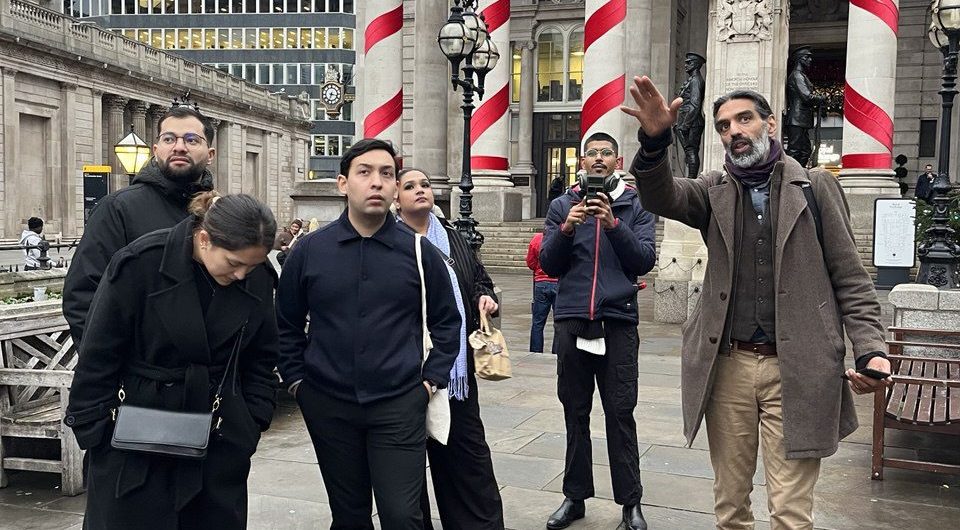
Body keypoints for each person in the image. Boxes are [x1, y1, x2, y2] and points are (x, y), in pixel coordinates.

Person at [621, 78, 892, 529]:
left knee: (790, 513)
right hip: (728, 367)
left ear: (770, 123)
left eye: (744, 119)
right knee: (730, 507)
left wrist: (871, 348)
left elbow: (851, 278)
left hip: (799, 368)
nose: (735, 131)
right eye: (724, 126)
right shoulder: (713, 189)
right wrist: (654, 143)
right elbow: (661, 195)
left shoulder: (815, 187)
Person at [64, 192, 280, 529]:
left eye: (250, 266)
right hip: (135, 437)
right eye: (233, 263)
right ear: (204, 239)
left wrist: (252, 420)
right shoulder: (140, 263)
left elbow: (262, 357)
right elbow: (98, 353)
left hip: (218, 436)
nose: (241, 275)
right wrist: (97, 433)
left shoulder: (259, 277)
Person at [276, 139, 461, 529]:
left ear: (394, 187)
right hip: (328, 404)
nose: (377, 182)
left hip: (399, 403)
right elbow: (286, 324)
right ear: (343, 183)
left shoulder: (419, 252)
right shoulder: (309, 251)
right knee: (349, 515)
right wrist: (297, 383)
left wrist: (429, 382)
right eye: (365, 172)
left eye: (387, 174)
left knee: (402, 515)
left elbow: (448, 322)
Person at [539, 132, 657, 530]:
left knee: (620, 414)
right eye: (592, 153)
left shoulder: (635, 205)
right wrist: (566, 230)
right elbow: (549, 265)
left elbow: (643, 260)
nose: (599, 159)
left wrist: (613, 225)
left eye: (606, 153)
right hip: (573, 321)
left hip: (617, 323)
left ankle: (631, 503)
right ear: (582, 162)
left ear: (617, 162)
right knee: (575, 413)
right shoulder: (561, 206)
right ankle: (574, 497)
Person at [394, 168, 504, 530]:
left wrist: (483, 297)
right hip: (408, 371)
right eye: (410, 186)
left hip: (456, 374)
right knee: (407, 470)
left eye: (425, 185)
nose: (420, 190)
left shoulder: (453, 237)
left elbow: (479, 279)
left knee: (468, 459)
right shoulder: (388, 241)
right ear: (396, 198)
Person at [63, 105, 216, 346]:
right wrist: (113, 365)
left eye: (191, 140)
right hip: (144, 367)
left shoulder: (219, 211)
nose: (179, 147)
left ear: (210, 154)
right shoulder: (118, 209)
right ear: (156, 150)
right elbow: (83, 296)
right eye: (169, 139)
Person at [785, 46, 823, 168]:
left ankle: (799, 172)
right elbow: (807, 96)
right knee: (795, 150)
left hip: (802, 120)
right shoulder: (797, 76)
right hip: (796, 119)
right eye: (807, 57)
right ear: (800, 59)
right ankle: (789, 173)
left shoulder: (801, 75)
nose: (810, 60)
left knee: (805, 151)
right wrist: (821, 98)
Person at [526, 230, 558, 353]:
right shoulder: (561, 237)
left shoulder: (537, 239)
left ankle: (536, 351)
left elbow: (531, 262)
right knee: (559, 322)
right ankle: (557, 351)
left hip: (541, 283)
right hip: (558, 283)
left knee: (537, 322)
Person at [675, 52, 706, 178]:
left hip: (693, 122)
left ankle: (691, 179)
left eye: (689, 62)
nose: (685, 65)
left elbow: (695, 104)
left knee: (691, 150)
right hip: (688, 120)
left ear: (696, 64)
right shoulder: (692, 80)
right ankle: (690, 178)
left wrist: (685, 125)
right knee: (689, 151)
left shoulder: (696, 81)